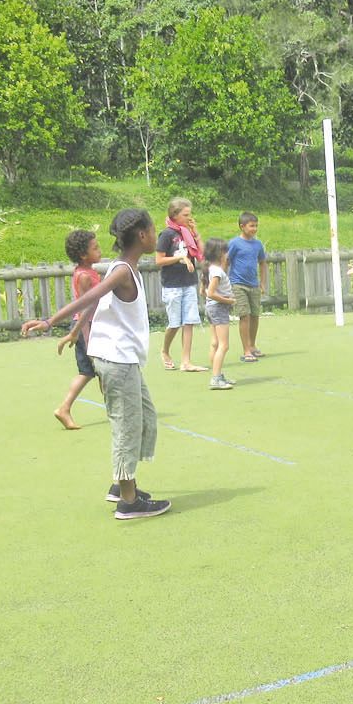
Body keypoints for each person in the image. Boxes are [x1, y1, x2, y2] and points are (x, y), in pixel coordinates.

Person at [22, 209, 171, 519]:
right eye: (153, 230)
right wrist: (51, 322)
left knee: (144, 418)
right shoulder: (121, 272)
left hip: (122, 358)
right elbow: (87, 299)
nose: (156, 236)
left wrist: (75, 332)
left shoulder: (124, 268)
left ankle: (123, 483)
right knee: (126, 426)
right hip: (116, 360)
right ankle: (128, 502)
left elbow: (95, 305)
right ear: (142, 235)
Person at [52, 229, 103, 429]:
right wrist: (85, 336)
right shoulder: (84, 276)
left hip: (92, 325)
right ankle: (64, 408)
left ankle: (116, 408)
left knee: (98, 371)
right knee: (89, 371)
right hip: (85, 327)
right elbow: (85, 307)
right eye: (95, 248)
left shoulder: (90, 271)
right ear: (83, 255)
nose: (100, 251)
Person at [155, 197, 205, 373]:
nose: (189, 218)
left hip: (189, 282)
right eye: (185, 215)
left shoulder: (188, 233)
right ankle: (165, 350)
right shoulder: (167, 235)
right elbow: (159, 260)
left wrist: (196, 233)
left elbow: (201, 253)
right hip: (172, 285)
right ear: (175, 215)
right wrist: (180, 258)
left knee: (189, 322)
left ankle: (186, 361)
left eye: (190, 214)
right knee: (175, 323)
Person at [225, 212, 268, 363]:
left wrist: (262, 282)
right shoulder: (234, 243)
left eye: (256, 226)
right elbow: (226, 262)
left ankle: (252, 345)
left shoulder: (258, 244)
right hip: (238, 284)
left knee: (255, 315)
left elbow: (262, 262)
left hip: (254, 285)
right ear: (242, 226)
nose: (254, 229)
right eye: (251, 226)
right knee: (245, 316)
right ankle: (246, 350)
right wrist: (224, 283)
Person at [202, 237, 237, 391]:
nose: (227, 254)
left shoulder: (209, 269)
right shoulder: (217, 271)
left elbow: (202, 292)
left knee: (215, 343)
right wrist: (227, 301)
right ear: (219, 254)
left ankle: (217, 373)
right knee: (224, 345)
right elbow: (210, 293)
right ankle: (215, 378)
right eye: (225, 251)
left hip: (211, 308)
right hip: (218, 308)